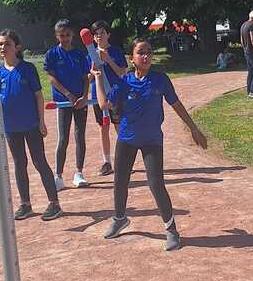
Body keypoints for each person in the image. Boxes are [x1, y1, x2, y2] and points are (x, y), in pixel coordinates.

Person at [92, 38, 207, 251]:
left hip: (152, 140)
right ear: (132, 58)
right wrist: (98, 78)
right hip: (127, 138)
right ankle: (119, 219)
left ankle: (171, 230)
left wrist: (193, 128)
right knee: (120, 181)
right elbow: (104, 104)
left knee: (156, 184)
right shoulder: (124, 81)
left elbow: (176, 104)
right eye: (141, 53)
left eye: (149, 52)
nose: (146, 56)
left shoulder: (160, 79)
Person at [0, 29, 62, 221]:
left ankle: (54, 203)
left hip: (31, 124)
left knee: (39, 161)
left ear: (17, 47)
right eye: (0, 44)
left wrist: (41, 121)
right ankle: (25, 204)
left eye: (7, 44)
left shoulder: (27, 69)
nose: (2, 47)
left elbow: (38, 96)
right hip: (11, 127)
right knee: (19, 163)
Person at [44, 19, 90, 189]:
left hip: (80, 102)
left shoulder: (79, 55)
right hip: (63, 102)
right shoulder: (52, 54)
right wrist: (67, 94)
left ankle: (79, 173)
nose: (65, 38)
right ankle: (58, 176)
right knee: (63, 138)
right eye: (61, 35)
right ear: (57, 36)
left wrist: (84, 96)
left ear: (73, 35)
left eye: (68, 35)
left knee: (80, 136)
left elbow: (86, 78)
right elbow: (51, 77)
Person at [91, 20, 128, 176]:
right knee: (103, 127)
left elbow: (122, 73)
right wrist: (93, 72)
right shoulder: (91, 53)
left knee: (119, 126)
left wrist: (108, 60)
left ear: (108, 35)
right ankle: (107, 162)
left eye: (102, 33)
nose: (99, 37)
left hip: (115, 94)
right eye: (96, 34)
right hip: (98, 96)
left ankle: (125, 159)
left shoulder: (116, 51)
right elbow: (88, 77)